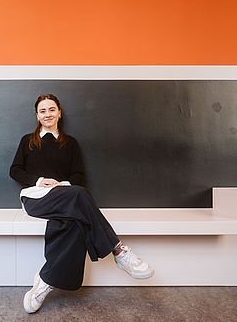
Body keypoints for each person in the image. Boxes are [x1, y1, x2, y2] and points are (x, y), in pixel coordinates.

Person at [9, 94, 154, 314]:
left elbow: (78, 176)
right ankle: (118, 251)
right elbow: (15, 170)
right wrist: (40, 181)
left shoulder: (70, 143)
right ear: (37, 116)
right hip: (36, 197)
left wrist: (61, 185)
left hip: (65, 197)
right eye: (42, 111)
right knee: (79, 196)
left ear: (59, 113)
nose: (47, 114)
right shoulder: (27, 140)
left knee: (75, 220)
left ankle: (44, 281)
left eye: (51, 109)